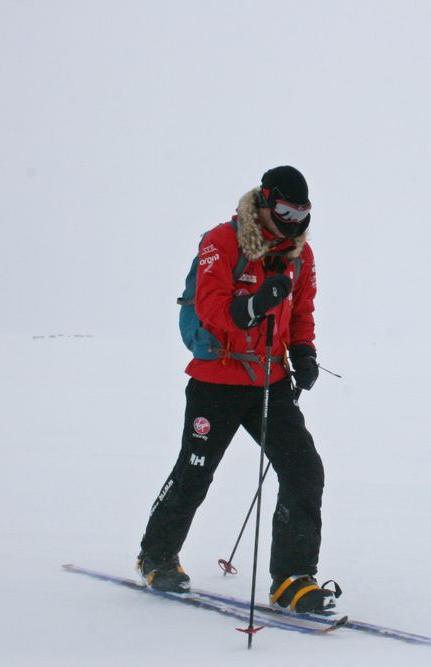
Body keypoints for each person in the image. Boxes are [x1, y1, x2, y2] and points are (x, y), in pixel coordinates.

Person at [136, 166, 336, 613]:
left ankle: (292, 579)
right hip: (215, 381)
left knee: (304, 470)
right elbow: (209, 304)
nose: (293, 220)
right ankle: (157, 555)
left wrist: (303, 352)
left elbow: (303, 310)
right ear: (264, 202)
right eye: (285, 209)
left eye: (302, 212)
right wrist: (252, 306)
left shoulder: (302, 256)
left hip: (270, 381)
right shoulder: (221, 241)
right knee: (195, 471)